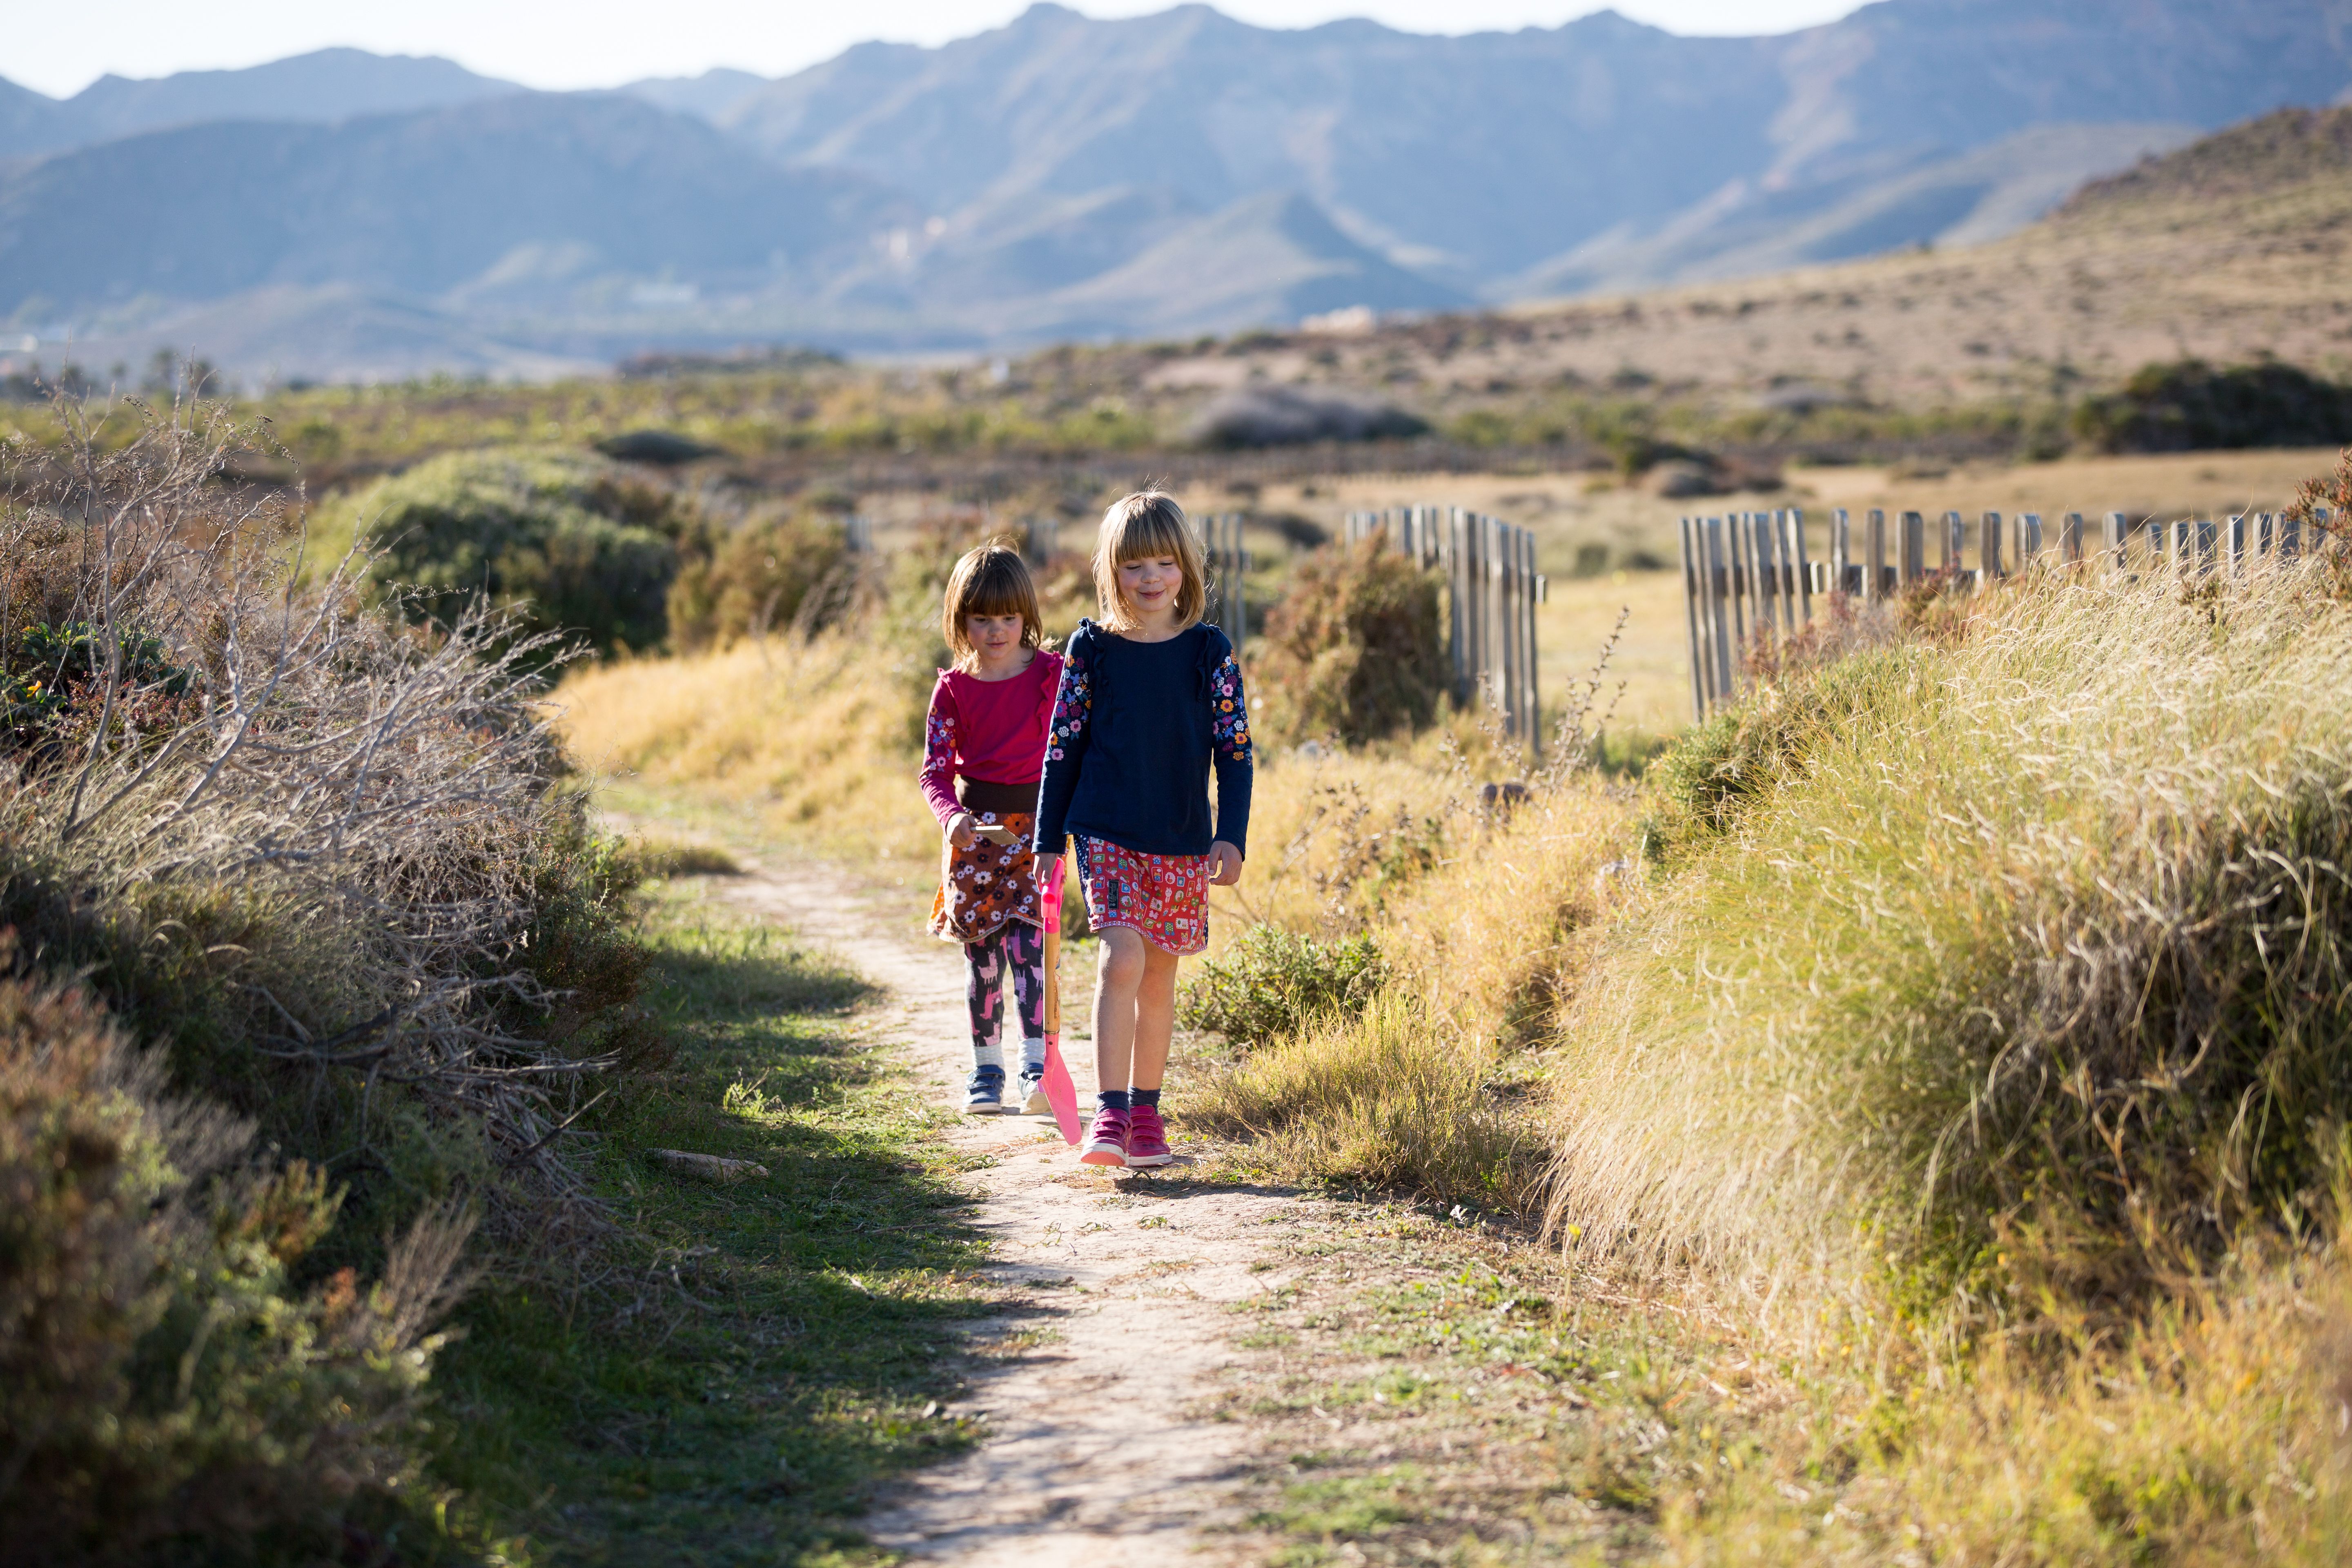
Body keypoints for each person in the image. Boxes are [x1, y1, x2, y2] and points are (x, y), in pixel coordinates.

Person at [1034, 491, 1252, 1168]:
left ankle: (1148, 1116)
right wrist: (1048, 838)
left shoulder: (1208, 653)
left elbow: (1235, 750)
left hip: (1184, 834)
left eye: (1163, 563)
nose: (1150, 578)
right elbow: (1062, 745)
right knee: (1122, 957)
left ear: (1186, 569)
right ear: (1111, 572)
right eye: (1134, 566)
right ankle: (1110, 1114)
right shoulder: (1092, 650)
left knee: (1160, 976)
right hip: (1105, 829)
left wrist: (1232, 833)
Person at [920, 543, 1065, 1115]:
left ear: (1025, 616)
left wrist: (1065, 824)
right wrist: (951, 816)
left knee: (1032, 951)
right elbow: (933, 771)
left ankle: (1037, 1069)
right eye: (982, 619)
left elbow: (1075, 749)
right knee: (983, 960)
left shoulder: (1053, 677)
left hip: (1038, 833)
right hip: (973, 838)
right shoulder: (953, 690)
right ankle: (987, 1072)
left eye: (1008, 618)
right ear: (962, 621)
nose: (997, 631)